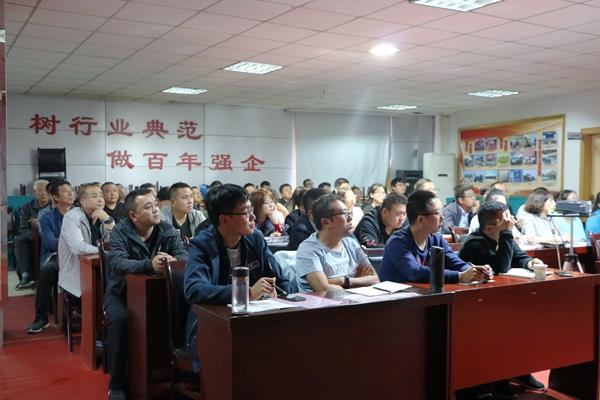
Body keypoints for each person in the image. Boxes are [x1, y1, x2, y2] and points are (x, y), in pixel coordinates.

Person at [184, 184, 293, 372]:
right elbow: (194, 289)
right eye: (246, 213)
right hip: (211, 326)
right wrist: (246, 293)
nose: (253, 218)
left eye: (252, 211)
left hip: (254, 321)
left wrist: (283, 295)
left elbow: (281, 280)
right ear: (224, 219)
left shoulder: (255, 239)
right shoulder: (202, 244)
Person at [104, 188, 187, 400]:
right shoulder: (120, 232)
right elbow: (117, 262)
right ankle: (116, 385)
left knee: (185, 315)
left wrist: (173, 261)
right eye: (148, 207)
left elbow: (184, 256)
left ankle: (181, 371)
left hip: (160, 294)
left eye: (156, 205)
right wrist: (149, 264)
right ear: (133, 215)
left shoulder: (166, 229)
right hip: (121, 294)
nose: (156, 210)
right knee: (120, 321)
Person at [459, 201, 546, 398]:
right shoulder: (475, 242)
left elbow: (519, 256)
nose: (510, 220)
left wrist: (531, 262)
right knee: (502, 330)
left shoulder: (503, 236)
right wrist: (507, 233)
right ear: (489, 227)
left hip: (500, 301)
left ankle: (517, 370)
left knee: (522, 326)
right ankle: (499, 376)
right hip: (476, 307)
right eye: (504, 219)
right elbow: (501, 266)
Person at [380, 190, 489, 284]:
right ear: (421, 219)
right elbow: (415, 272)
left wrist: (474, 271)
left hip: (424, 295)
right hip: (396, 299)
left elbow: (454, 262)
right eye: (437, 213)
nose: (442, 217)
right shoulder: (398, 242)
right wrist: (459, 276)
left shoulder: (436, 238)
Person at [296, 194, 379, 292]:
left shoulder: (351, 243)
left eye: (349, 213)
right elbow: (324, 289)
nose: (350, 218)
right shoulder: (309, 249)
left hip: (354, 299)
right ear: (326, 222)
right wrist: (359, 283)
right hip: (325, 301)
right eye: (344, 214)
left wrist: (343, 281)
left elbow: (375, 279)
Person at [26, 180, 75, 334]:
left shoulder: (79, 214)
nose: (71, 193)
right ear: (55, 197)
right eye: (66, 191)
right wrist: (74, 242)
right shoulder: (47, 217)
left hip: (78, 256)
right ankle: (41, 318)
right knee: (47, 270)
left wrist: (70, 242)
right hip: (56, 256)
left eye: (71, 190)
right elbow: (49, 243)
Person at [58, 183, 114, 299]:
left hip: (100, 268)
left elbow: (116, 243)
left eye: (101, 195)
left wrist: (108, 221)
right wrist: (104, 251)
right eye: (94, 196)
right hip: (76, 274)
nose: (100, 199)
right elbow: (78, 248)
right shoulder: (71, 217)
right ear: (83, 202)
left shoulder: (103, 216)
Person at [15, 179, 50, 289]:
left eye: (46, 190)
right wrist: (34, 237)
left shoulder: (55, 205)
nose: (43, 193)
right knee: (19, 239)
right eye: (39, 190)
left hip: (50, 236)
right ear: (34, 193)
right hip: (32, 236)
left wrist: (40, 222)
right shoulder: (27, 207)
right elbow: (23, 228)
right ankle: (25, 276)